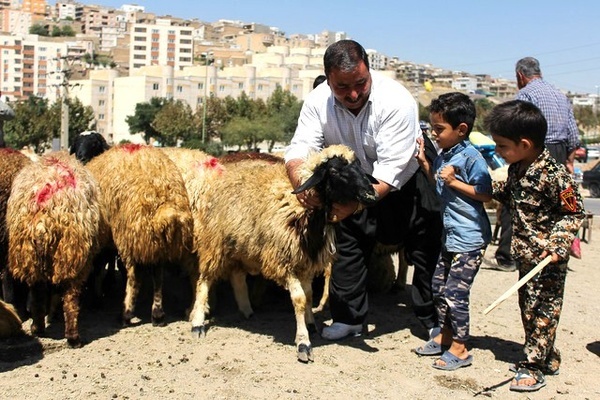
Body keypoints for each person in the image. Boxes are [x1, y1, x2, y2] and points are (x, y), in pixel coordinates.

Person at [285, 39, 442, 340]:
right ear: (328, 79)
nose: (354, 94)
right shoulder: (317, 102)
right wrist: (299, 182)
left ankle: (431, 318)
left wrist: (357, 205)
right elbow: (301, 146)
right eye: (342, 87)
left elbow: (391, 170)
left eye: (360, 83)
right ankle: (349, 319)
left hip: (402, 185)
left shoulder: (397, 100)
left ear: (369, 71)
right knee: (349, 248)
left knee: (423, 249)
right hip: (353, 181)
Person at [485, 100, 585, 392]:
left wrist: (557, 243)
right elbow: (511, 193)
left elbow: (574, 212)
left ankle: (532, 366)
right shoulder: (518, 168)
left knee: (543, 312)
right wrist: (483, 189)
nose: (499, 153)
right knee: (529, 309)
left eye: (502, 146)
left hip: (548, 259)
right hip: (526, 255)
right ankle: (548, 357)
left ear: (525, 144)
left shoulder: (555, 176)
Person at [413, 93, 492, 371]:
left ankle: (460, 348)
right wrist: (425, 164)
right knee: (438, 288)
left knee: (455, 294)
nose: (435, 135)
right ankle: (445, 335)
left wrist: (456, 183)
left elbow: (486, 194)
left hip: (470, 240)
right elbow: (440, 184)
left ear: (461, 130)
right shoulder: (447, 154)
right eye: (433, 128)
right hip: (451, 237)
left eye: (439, 129)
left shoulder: (472, 157)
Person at [493, 57, 581, 271]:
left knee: (519, 202)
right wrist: (568, 159)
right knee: (544, 204)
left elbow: (573, 210)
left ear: (520, 76)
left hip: (536, 150)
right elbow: (573, 133)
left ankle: (508, 256)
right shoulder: (560, 95)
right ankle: (535, 251)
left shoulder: (526, 94)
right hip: (557, 150)